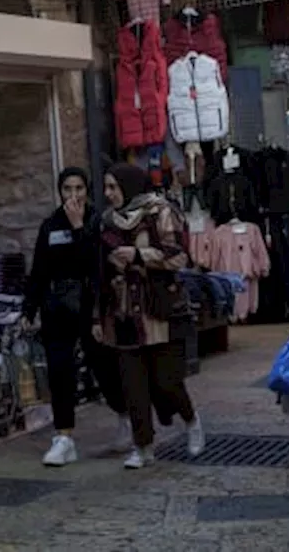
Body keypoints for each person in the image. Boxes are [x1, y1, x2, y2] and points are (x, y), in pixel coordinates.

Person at [95, 163, 204, 469]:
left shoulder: (160, 212)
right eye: (107, 187)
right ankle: (143, 446)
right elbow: (99, 273)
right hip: (124, 312)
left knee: (167, 381)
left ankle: (191, 421)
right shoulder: (106, 223)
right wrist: (98, 316)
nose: (109, 194)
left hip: (160, 311)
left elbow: (180, 255)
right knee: (134, 385)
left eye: (114, 187)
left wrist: (140, 255)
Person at [26, 167, 129, 467]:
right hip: (57, 305)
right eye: (67, 189)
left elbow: (94, 262)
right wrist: (29, 308)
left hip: (89, 305)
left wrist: (78, 227)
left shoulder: (98, 221)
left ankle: (125, 415)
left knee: (103, 365)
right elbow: (39, 270)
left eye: (79, 188)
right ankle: (64, 436)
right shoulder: (50, 225)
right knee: (60, 371)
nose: (74, 195)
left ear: (87, 190)